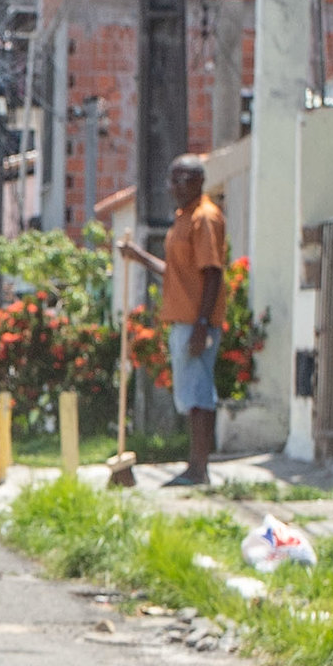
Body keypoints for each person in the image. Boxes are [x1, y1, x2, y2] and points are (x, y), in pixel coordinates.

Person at [118, 153, 227, 486]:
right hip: (184, 319)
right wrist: (139, 258)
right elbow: (178, 273)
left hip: (197, 321)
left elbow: (212, 274)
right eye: (171, 179)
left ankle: (199, 469)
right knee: (191, 394)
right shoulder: (185, 217)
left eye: (180, 179)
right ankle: (195, 466)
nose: (173, 187)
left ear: (198, 181)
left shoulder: (204, 218)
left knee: (198, 396)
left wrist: (202, 324)